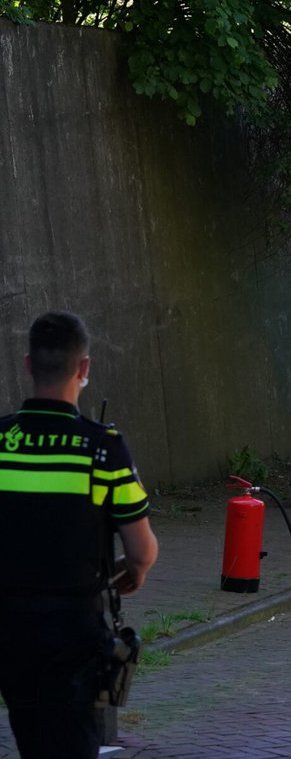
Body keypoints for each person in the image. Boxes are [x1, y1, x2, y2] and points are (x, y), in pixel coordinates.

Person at [0, 311, 159, 758]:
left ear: (29, 365)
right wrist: (136, 571)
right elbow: (142, 549)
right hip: (74, 633)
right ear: (83, 368)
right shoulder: (102, 447)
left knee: (30, 735)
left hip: (10, 631)